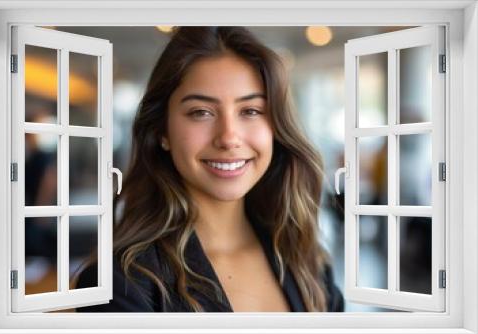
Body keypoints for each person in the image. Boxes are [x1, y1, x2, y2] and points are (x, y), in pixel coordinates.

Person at [75, 26, 344, 312]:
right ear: (162, 131)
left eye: (250, 111)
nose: (228, 137)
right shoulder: (123, 283)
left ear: (276, 127)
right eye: (200, 112)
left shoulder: (306, 260)